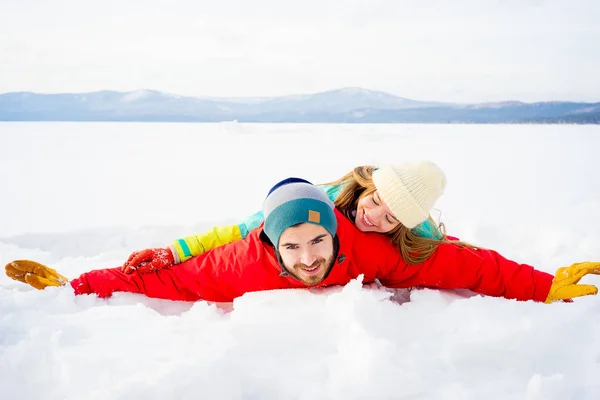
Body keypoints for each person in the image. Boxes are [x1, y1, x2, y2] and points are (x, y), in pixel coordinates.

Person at [5, 177, 600, 304]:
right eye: (292, 247)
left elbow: (465, 266)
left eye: (318, 241)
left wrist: (547, 285)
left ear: (335, 232)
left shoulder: (366, 245)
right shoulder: (243, 263)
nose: (310, 259)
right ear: (271, 243)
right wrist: (75, 285)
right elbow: (167, 276)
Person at [120, 161, 458, 274]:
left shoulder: (420, 231)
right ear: (368, 186)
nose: (373, 217)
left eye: (390, 218)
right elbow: (245, 229)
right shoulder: (322, 202)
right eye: (376, 201)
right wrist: (177, 251)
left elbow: (447, 252)